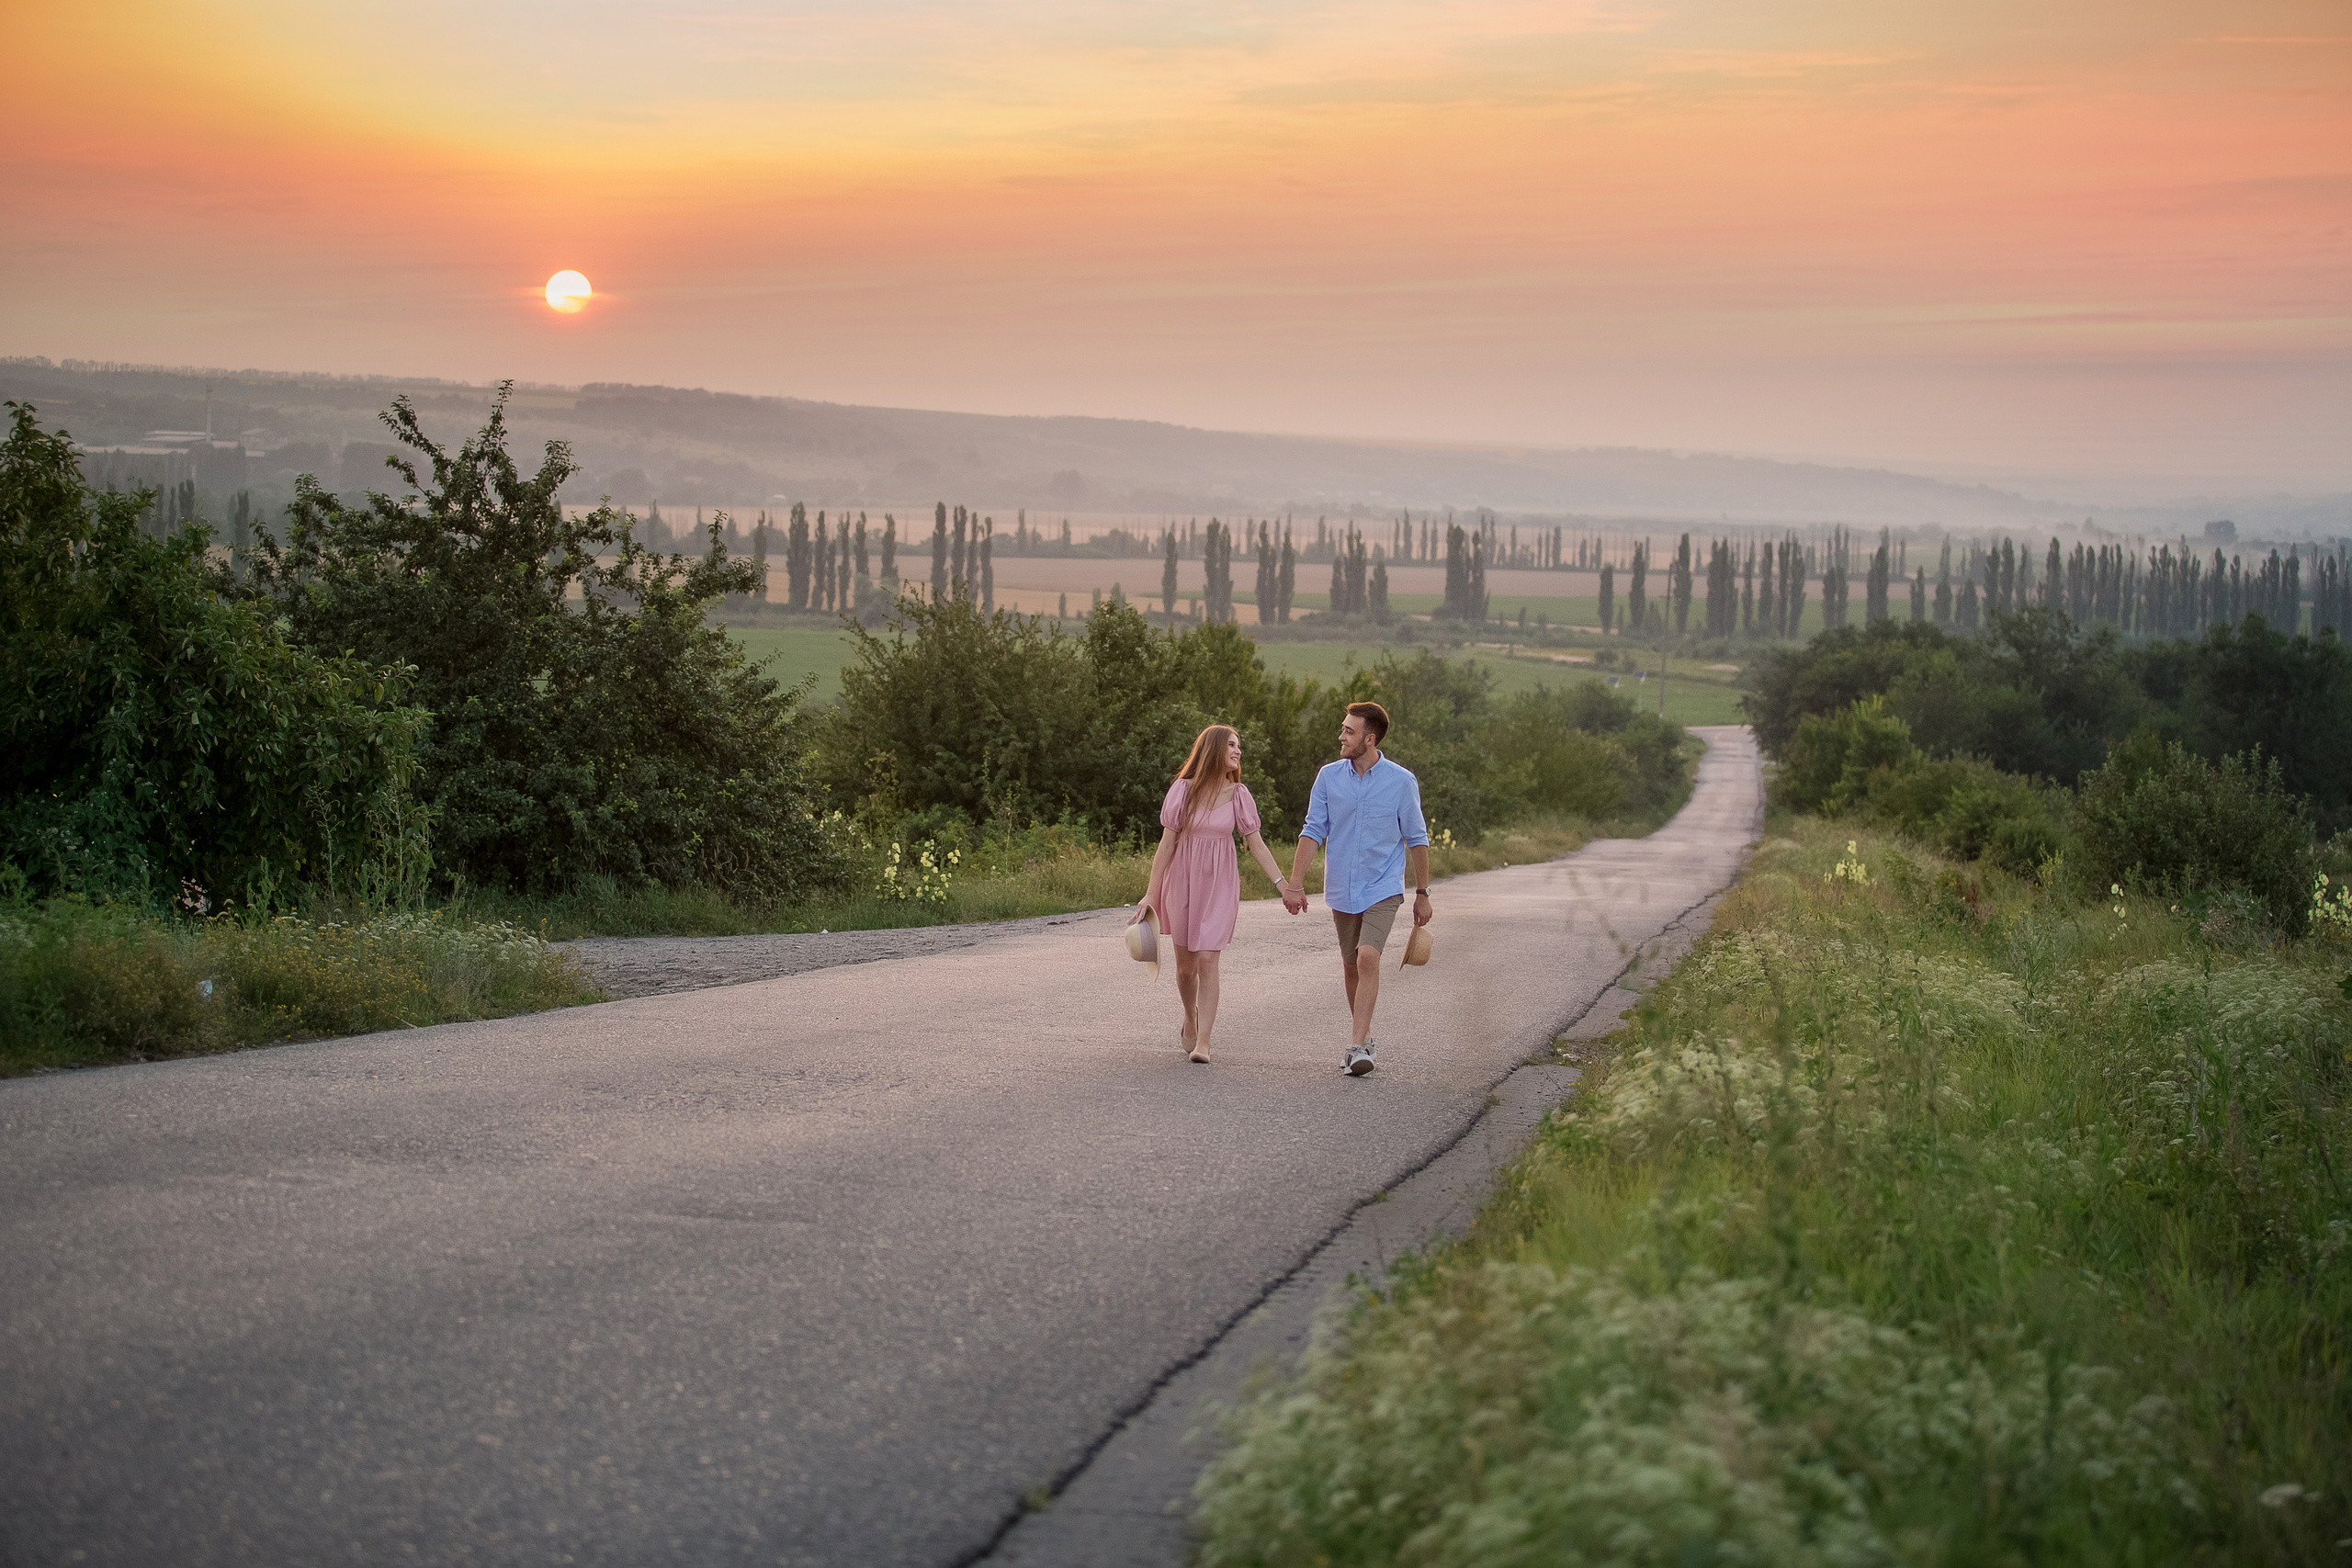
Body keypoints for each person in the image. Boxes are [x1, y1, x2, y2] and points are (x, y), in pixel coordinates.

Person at [1284, 701, 1430, 1076]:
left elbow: (1416, 838)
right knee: (1351, 965)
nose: (1341, 736)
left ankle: (1355, 1047)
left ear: (1369, 738)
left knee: (1367, 957)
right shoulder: (1328, 777)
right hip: (1341, 886)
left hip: (1383, 886)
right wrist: (1295, 883)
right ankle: (1364, 1039)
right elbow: (1313, 830)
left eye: (1348, 731)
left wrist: (1422, 893)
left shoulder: (1401, 781)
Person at [1142, 724, 1295, 1064]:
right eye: (1231, 745)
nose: (1238, 752)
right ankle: (1189, 1016)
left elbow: (1256, 844)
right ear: (1213, 749)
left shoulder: (1239, 795)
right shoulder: (1182, 791)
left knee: (1209, 960)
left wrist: (1283, 886)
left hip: (1220, 886)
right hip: (1182, 881)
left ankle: (1205, 1042)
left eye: (1239, 746)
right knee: (1185, 970)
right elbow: (1166, 845)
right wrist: (1151, 894)